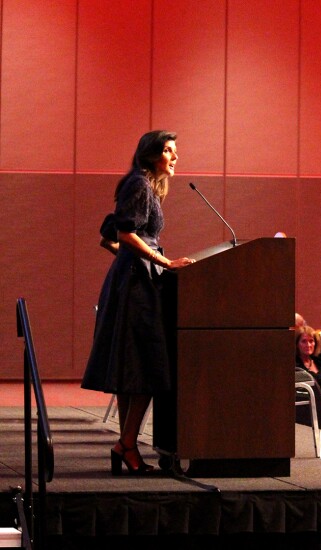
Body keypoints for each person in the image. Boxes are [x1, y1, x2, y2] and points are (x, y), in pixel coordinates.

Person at [82, 130, 195, 475]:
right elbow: (124, 233)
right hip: (136, 288)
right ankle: (126, 444)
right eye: (168, 151)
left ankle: (126, 444)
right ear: (150, 155)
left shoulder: (142, 185)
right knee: (145, 368)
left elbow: (111, 238)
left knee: (135, 368)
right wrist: (160, 262)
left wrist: (132, 260)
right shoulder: (140, 185)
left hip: (133, 280)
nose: (175, 157)